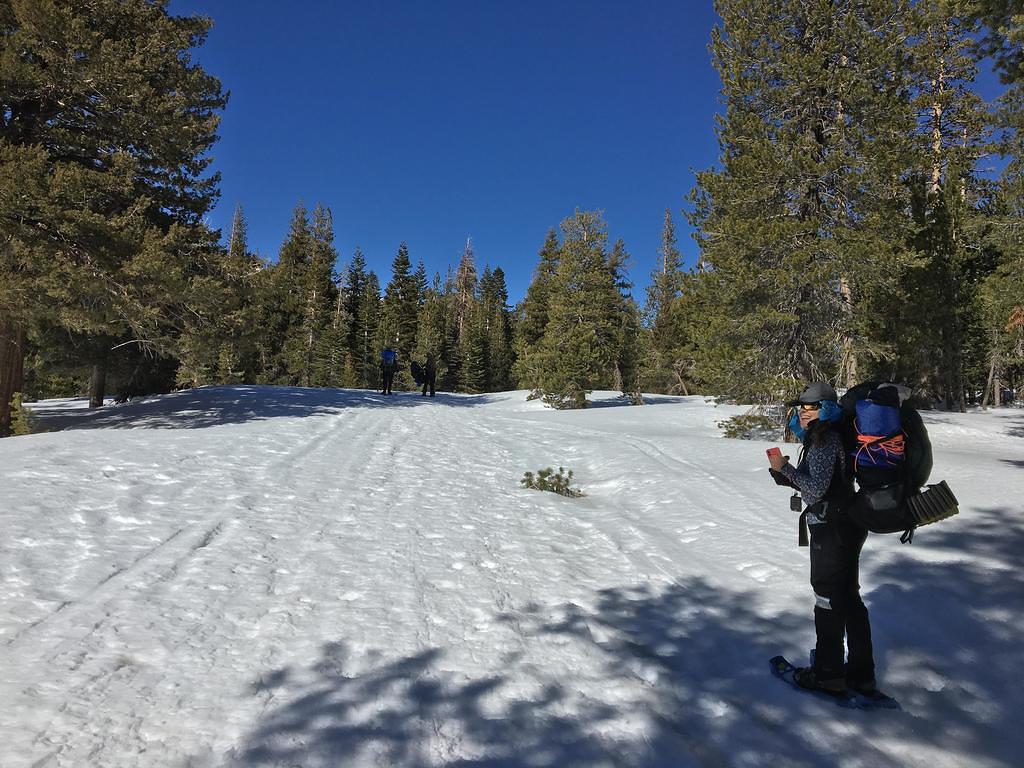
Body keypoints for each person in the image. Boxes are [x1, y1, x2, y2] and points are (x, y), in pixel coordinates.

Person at [767, 381, 876, 695]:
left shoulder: (826, 439)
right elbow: (821, 484)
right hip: (847, 523)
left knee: (827, 598)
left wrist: (784, 468)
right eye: (802, 406)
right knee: (849, 597)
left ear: (826, 408)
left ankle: (827, 675)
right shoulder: (831, 435)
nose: (804, 412)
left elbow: (814, 490)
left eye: (812, 406)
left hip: (832, 528)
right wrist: (789, 477)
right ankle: (861, 675)